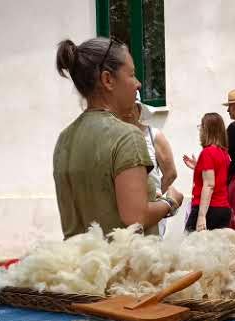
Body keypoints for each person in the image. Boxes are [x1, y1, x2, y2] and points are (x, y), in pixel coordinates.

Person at [53, 37, 183, 239]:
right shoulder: (127, 136)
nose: (138, 84)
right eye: (132, 74)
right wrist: (170, 202)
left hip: (80, 267)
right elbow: (136, 216)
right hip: (125, 267)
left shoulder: (64, 138)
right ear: (107, 80)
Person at [187, 88, 235, 236]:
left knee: (233, 230)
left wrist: (203, 165)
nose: (228, 110)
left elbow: (218, 156)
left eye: (230, 106)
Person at [121, 92, 178, 236]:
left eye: (132, 108)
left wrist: (154, 195)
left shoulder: (153, 135)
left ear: (139, 110)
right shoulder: (118, 136)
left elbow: (170, 173)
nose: (127, 113)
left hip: (152, 208)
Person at [184, 113, 231, 232]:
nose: (200, 131)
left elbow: (209, 185)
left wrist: (201, 216)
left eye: (201, 127)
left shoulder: (207, 152)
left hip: (209, 209)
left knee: (193, 248)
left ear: (207, 130)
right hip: (222, 209)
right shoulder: (224, 153)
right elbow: (218, 177)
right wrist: (198, 167)